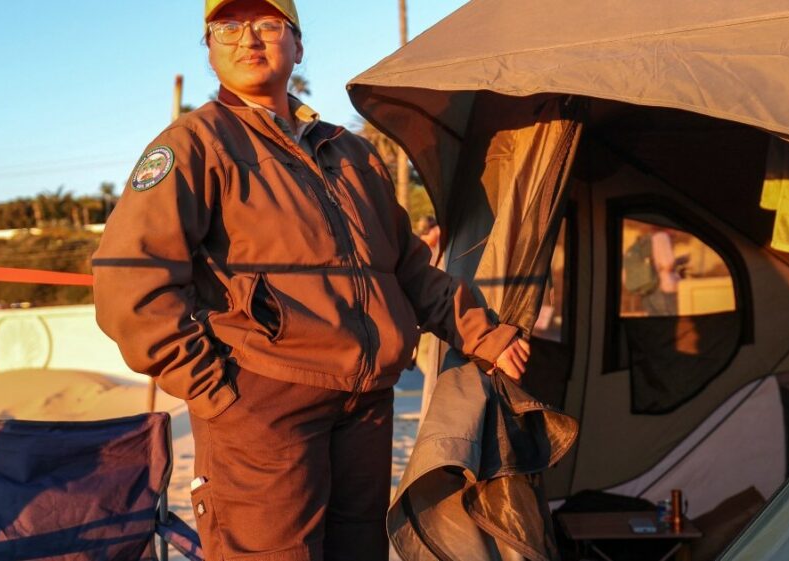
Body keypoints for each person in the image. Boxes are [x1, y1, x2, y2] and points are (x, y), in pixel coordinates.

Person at [91, 1, 529, 559]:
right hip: (263, 403)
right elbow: (130, 280)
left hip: (365, 403)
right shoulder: (194, 144)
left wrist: (482, 332)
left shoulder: (350, 153)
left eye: (268, 25)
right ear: (208, 47)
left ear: (297, 45)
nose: (248, 38)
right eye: (228, 27)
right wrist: (216, 391)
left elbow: (407, 267)